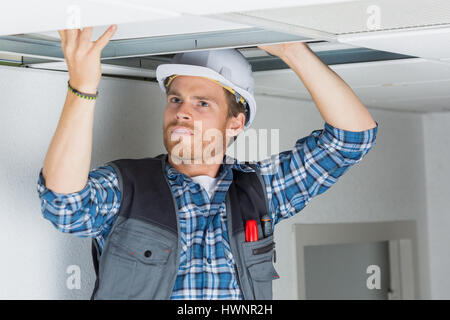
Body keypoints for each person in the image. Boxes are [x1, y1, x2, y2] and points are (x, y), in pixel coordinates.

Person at [37, 25, 378, 300]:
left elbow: (352, 138)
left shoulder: (262, 191)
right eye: (176, 99)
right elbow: (65, 206)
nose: (181, 110)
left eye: (202, 103)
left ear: (235, 123)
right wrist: (82, 86)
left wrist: (292, 49)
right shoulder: (127, 188)